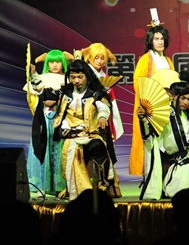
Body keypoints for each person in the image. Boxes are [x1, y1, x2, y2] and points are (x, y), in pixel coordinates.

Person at [49, 58, 121, 200]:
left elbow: (103, 107)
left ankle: (104, 185)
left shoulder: (95, 92)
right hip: (72, 135)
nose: (76, 81)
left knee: (98, 147)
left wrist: (102, 117)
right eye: (73, 77)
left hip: (91, 133)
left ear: (86, 76)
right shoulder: (65, 92)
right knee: (70, 156)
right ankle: (74, 190)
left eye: (80, 77)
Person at [130, 23, 174, 176]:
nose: (160, 42)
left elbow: (173, 81)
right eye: (156, 39)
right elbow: (138, 82)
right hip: (151, 105)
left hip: (166, 104)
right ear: (151, 41)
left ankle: (166, 173)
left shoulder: (168, 60)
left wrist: (171, 94)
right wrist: (150, 97)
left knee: (165, 139)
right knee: (150, 140)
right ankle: (150, 174)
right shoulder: (145, 59)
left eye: (162, 39)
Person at [25, 49, 70, 195]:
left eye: (58, 62)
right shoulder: (41, 78)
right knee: (42, 148)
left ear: (63, 63)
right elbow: (35, 94)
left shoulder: (69, 79)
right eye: (51, 62)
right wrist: (33, 74)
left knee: (59, 152)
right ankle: (41, 186)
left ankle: (60, 186)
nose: (54, 65)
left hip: (62, 121)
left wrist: (58, 103)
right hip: (44, 119)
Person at [80, 42, 124, 141]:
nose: (99, 61)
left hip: (104, 112)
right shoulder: (83, 74)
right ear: (89, 57)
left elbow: (111, 99)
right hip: (87, 111)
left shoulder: (105, 76)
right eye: (96, 58)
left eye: (102, 58)